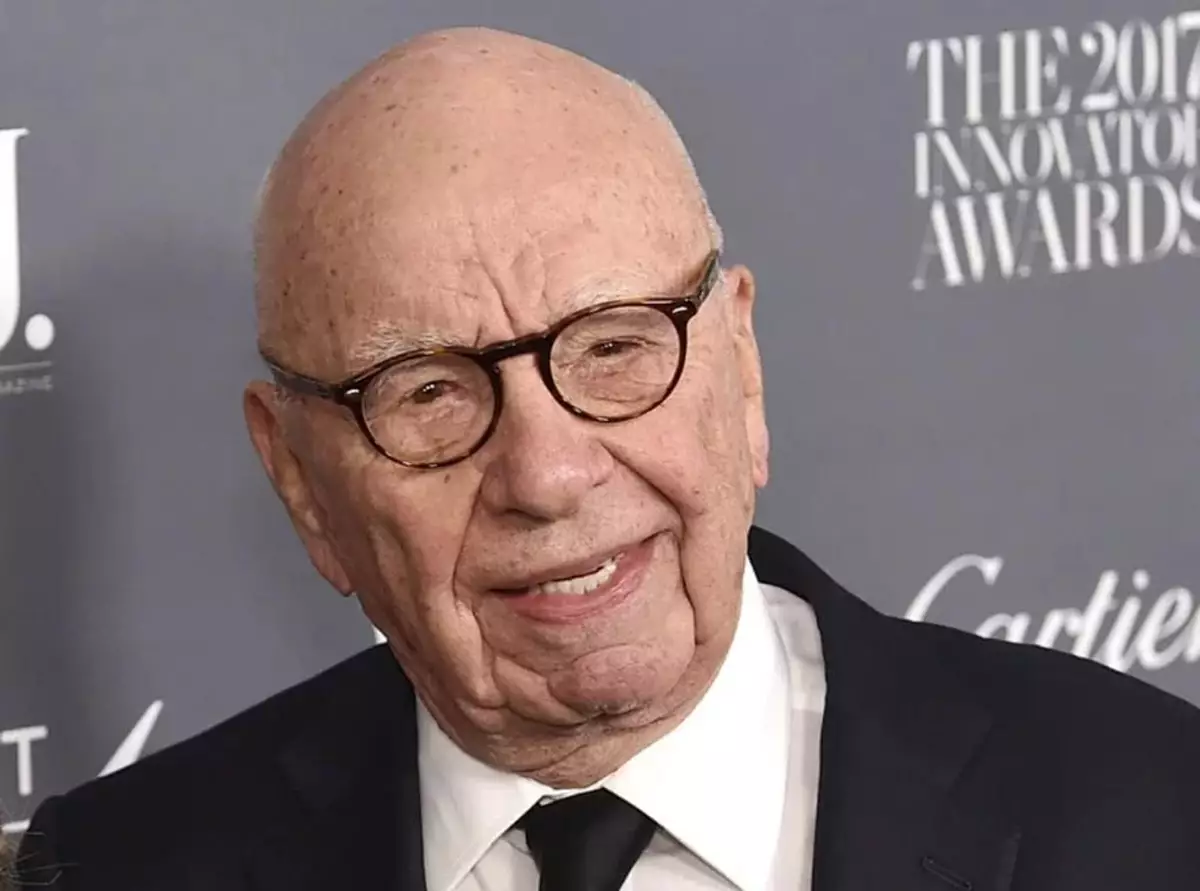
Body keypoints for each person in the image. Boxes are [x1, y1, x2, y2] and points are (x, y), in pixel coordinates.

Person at [16, 25, 1200, 891]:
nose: (547, 475)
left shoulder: (1150, 817)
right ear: (301, 485)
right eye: (428, 393)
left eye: (614, 348)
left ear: (742, 369)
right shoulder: (123, 867)